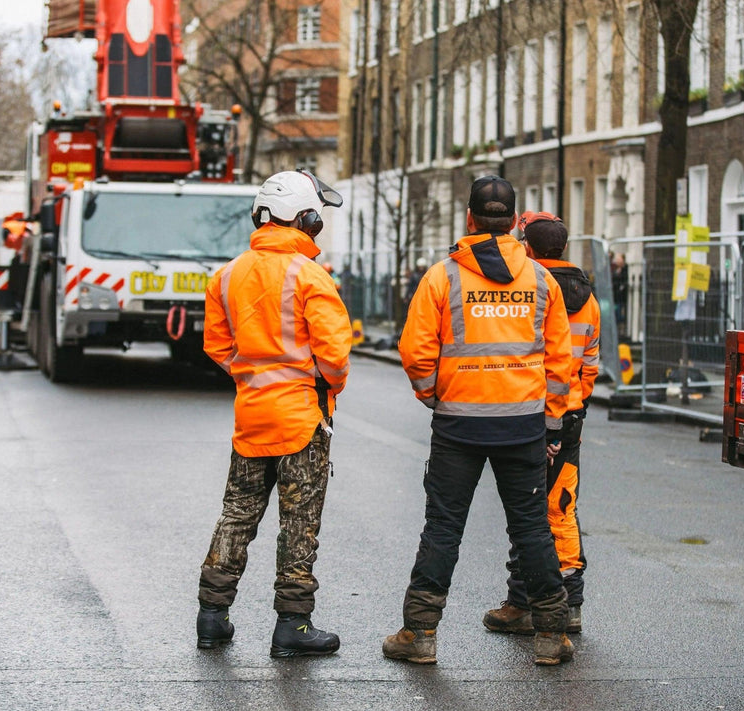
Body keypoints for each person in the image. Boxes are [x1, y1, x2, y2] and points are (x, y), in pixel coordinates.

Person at [382, 175, 575, 666]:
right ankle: (551, 635)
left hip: (459, 425)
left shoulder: (442, 277)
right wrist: (552, 422)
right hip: (523, 425)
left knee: (443, 528)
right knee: (531, 528)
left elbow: (415, 351)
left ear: (469, 218)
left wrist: (434, 395)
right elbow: (561, 360)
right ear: (514, 223)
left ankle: (420, 633)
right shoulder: (541, 280)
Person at [196, 169, 352, 658]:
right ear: (306, 220)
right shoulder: (310, 275)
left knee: (237, 515)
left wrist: (251, 375)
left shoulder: (227, 275)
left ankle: (212, 617)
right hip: (302, 420)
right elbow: (335, 356)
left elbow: (217, 345)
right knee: (299, 523)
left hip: (251, 416)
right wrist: (324, 385)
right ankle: (293, 625)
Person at [483, 211, 600, 637]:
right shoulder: (589, 299)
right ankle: (570, 603)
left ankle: (521, 602)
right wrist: (575, 403)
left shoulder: (530, 287)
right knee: (561, 506)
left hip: (532, 411)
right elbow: (590, 362)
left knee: (526, 510)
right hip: (570, 415)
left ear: (528, 248)